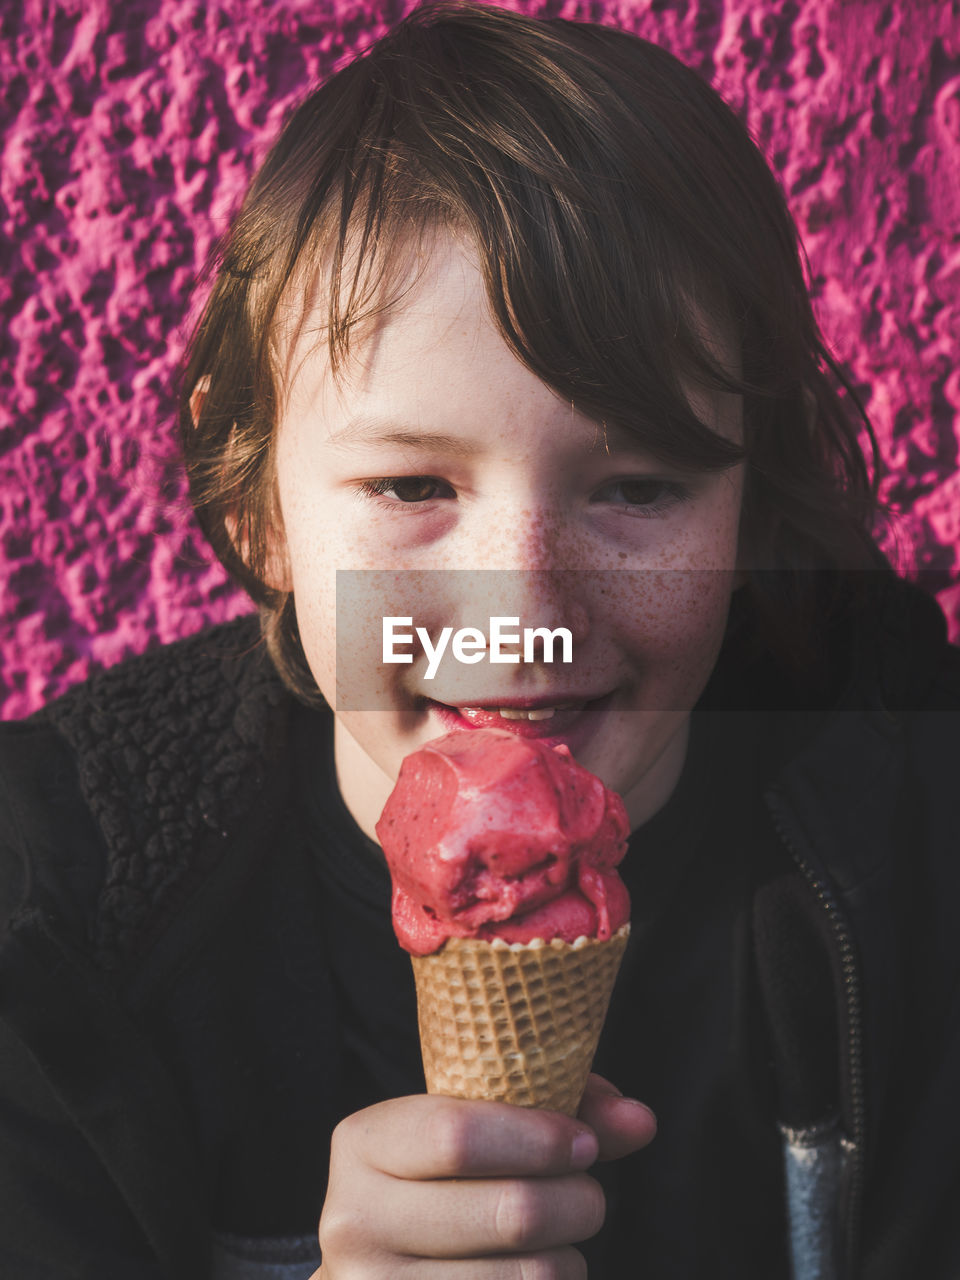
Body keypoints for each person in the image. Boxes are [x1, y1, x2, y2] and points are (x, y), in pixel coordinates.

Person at [1, 4, 958, 1277]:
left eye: (638, 486)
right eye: (411, 489)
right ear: (259, 512)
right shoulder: (58, 920)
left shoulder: (922, 836)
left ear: (749, 510)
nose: (524, 612)